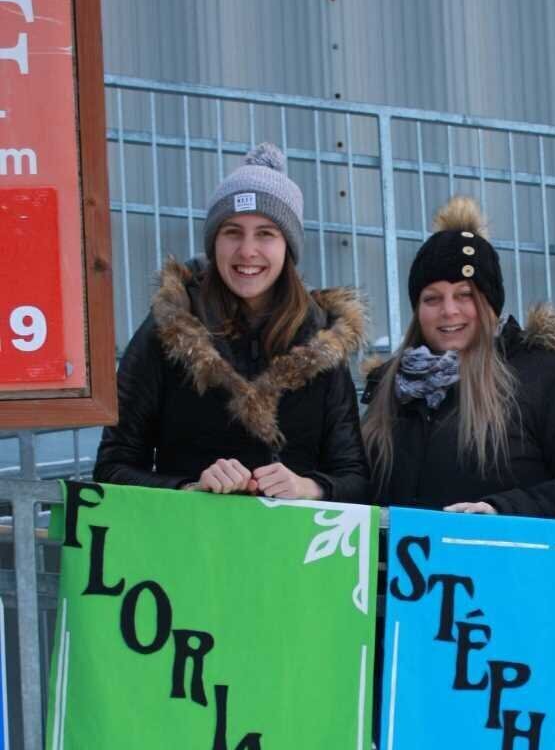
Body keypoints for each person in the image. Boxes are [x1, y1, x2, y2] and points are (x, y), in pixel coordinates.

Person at [94, 143, 369, 504]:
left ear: (288, 245)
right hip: (193, 548)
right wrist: (189, 488)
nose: (247, 251)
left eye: (266, 233)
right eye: (233, 232)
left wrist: (309, 487)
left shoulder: (322, 339)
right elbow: (112, 468)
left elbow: (355, 478)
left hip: (291, 553)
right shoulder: (166, 330)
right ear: (214, 242)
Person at [361, 196, 555, 521]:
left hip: (507, 567)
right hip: (400, 569)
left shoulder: (543, 375)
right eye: (432, 298)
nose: (449, 310)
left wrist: (506, 510)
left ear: (492, 304)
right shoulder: (391, 387)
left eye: (465, 295)